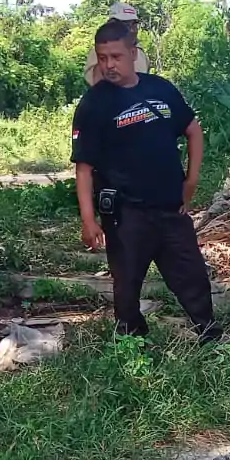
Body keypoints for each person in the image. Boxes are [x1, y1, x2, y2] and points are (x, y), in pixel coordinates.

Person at [71, 19, 219, 340]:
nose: (109, 64)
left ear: (133, 53)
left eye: (116, 56)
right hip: (126, 214)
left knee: (190, 273)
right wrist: (88, 219)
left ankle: (208, 331)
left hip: (170, 206)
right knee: (126, 284)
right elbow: (83, 167)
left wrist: (191, 181)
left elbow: (193, 130)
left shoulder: (160, 88)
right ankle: (131, 340)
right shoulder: (94, 104)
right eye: (102, 57)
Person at [82, 1, 150, 88]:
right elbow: (99, 88)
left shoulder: (140, 52)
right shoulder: (98, 52)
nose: (132, 30)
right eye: (126, 24)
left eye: (134, 24)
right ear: (111, 24)